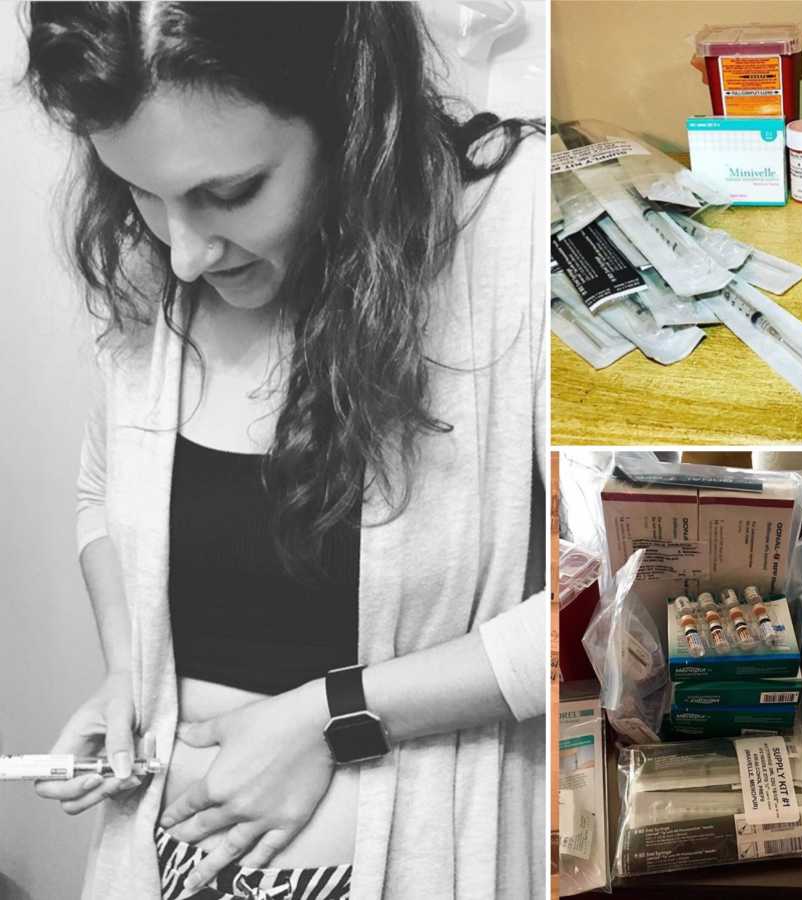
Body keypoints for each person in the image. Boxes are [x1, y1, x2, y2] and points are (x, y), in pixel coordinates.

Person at [23, 3, 546, 899]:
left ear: (351, 110)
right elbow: (104, 491)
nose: (182, 256)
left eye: (229, 194)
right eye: (141, 193)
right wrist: (125, 676)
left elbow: (605, 605)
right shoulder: (155, 253)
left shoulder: (514, 230)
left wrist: (332, 720)